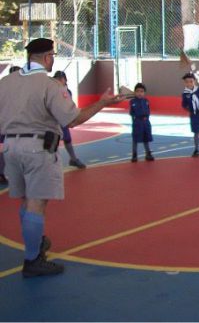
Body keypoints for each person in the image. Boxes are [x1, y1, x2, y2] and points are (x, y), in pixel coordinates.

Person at [0, 38, 122, 277]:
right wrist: (103, 103)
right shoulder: (50, 86)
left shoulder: (6, 83)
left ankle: (35, 244)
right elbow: (73, 119)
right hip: (38, 148)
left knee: (26, 199)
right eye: (52, 55)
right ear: (47, 57)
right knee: (37, 202)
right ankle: (33, 259)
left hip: (10, 148)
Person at [51, 71, 86, 169]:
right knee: (53, 141)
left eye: (60, 79)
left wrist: (72, 119)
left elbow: (69, 106)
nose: (58, 80)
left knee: (67, 139)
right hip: (54, 121)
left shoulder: (67, 91)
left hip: (63, 120)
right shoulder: (53, 91)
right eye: (56, 79)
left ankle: (73, 159)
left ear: (64, 80)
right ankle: (52, 162)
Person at [129, 83, 154, 163]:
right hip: (137, 122)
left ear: (144, 93)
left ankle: (148, 153)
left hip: (146, 122)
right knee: (135, 139)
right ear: (134, 92)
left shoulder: (146, 101)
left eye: (142, 91)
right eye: (137, 91)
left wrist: (146, 120)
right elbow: (131, 113)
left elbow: (148, 110)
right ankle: (134, 154)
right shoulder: (132, 101)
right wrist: (135, 121)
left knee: (146, 138)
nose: (139, 93)